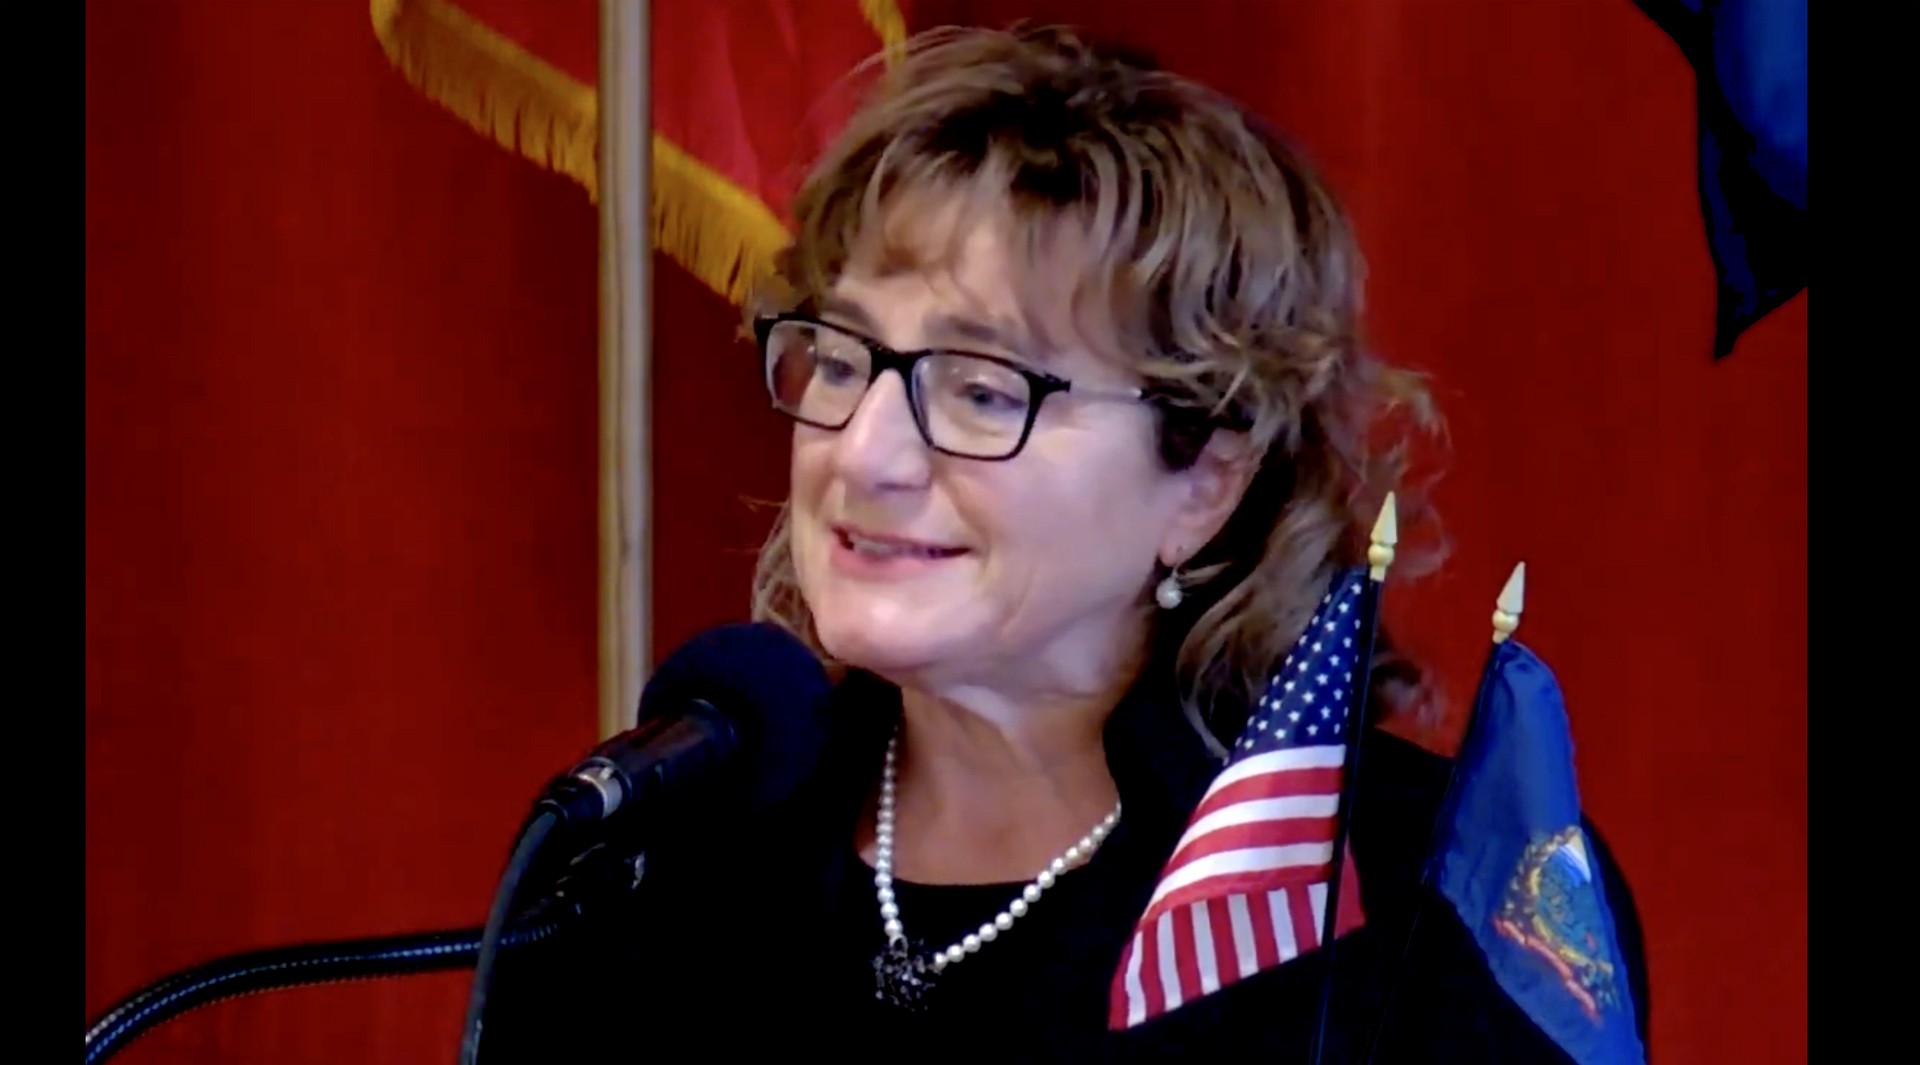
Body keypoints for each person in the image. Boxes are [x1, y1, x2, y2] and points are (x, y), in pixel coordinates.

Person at [481, 23, 1648, 1063]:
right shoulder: (646, 878)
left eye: (983, 390)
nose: (865, 453)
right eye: (840, 359)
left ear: (1206, 478)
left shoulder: (1421, 909)